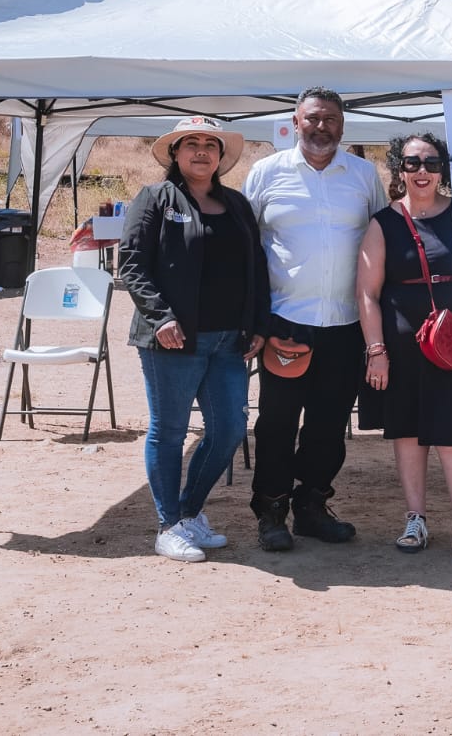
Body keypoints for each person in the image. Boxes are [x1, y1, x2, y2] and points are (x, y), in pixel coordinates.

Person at [242, 87, 390, 551]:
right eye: (313, 118)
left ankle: (311, 507)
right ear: (295, 120)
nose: (321, 126)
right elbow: (247, 249)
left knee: (328, 425)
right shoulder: (266, 173)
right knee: (276, 424)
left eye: (330, 119)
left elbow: (383, 242)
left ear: (343, 125)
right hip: (286, 324)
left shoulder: (364, 176)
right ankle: (271, 513)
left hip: (347, 326)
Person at [120, 117, 269, 563]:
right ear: (175, 154)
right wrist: (161, 317)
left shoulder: (238, 205)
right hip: (172, 340)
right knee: (168, 431)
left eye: (211, 145)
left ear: (221, 157)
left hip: (230, 341)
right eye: (192, 144)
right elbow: (131, 264)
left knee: (227, 430)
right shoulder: (155, 199)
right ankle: (168, 526)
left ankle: (188, 513)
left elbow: (257, 268)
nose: (202, 151)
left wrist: (258, 323)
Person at [357, 134, 452, 563]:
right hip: (401, 344)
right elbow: (367, 294)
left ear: (443, 169)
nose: (422, 171)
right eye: (412, 162)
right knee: (408, 435)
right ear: (398, 169)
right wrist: (376, 350)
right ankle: (415, 519)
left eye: (431, 162)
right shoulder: (382, 223)